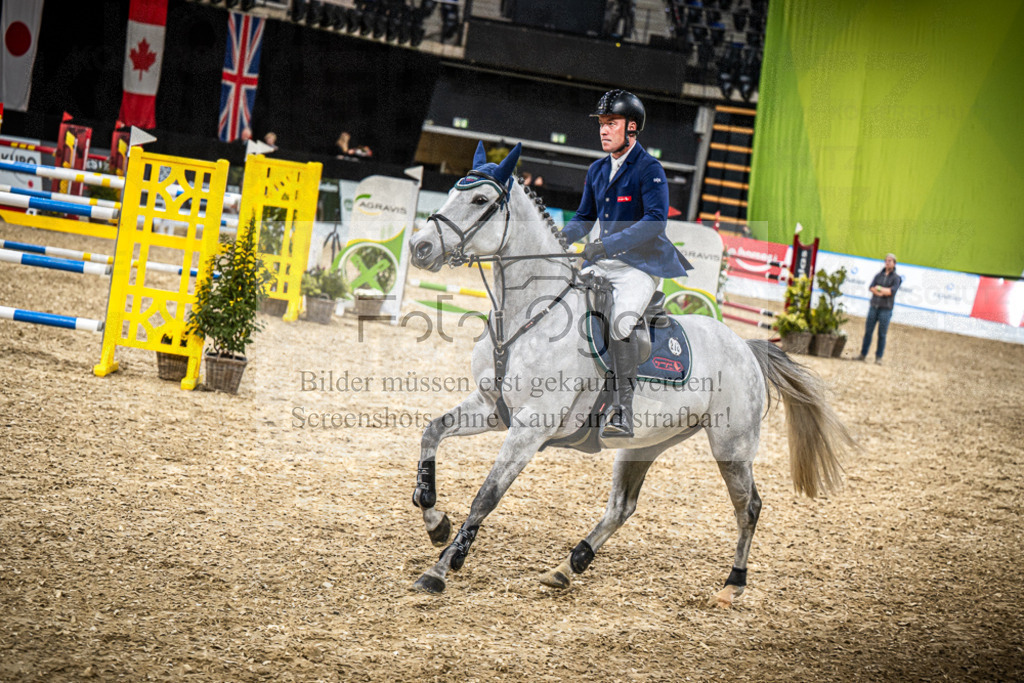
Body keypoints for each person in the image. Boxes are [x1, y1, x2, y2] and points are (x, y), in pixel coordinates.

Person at [560, 89, 692, 438]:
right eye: (601, 124)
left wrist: (605, 246)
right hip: (603, 263)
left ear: (632, 128)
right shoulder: (597, 169)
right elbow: (584, 217)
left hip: (639, 266)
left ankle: (622, 412)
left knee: (620, 325)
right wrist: (559, 237)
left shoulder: (649, 169)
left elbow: (655, 222)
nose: (603, 130)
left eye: (612, 123)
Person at [857, 253, 901, 364]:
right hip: (874, 307)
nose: (887, 262)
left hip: (886, 309)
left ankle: (878, 357)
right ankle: (863, 354)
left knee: (882, 334)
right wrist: (881, 291)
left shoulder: (896, 278)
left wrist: (879, 289)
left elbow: (891, 291)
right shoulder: (878, 275)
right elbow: (871, 287)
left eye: (890, 261)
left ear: (894, 263)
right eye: (886, 260)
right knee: (868, 332)